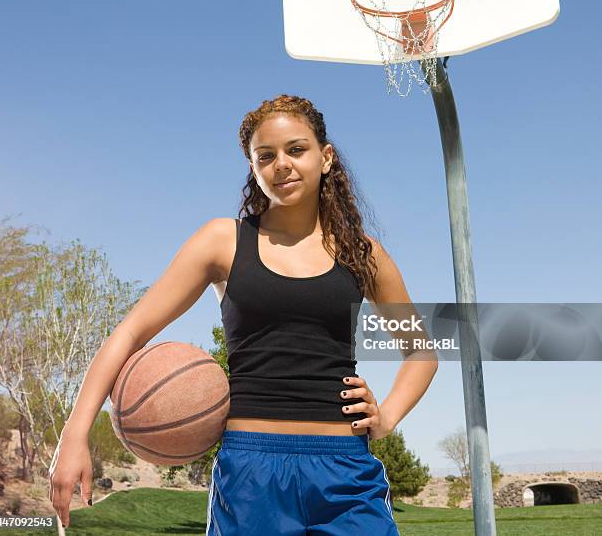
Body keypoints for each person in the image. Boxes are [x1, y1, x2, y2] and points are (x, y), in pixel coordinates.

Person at [49, 94, 438, 534]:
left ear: (325, 157)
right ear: (253, 167)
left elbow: (421, 352)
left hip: (345, 471)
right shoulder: (224, 242)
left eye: (296, 149)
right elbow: (131, 332)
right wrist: (75, 433)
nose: (282, 164)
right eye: (265, 156)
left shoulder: (363, 253)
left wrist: (386, 417)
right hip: (252, 472)